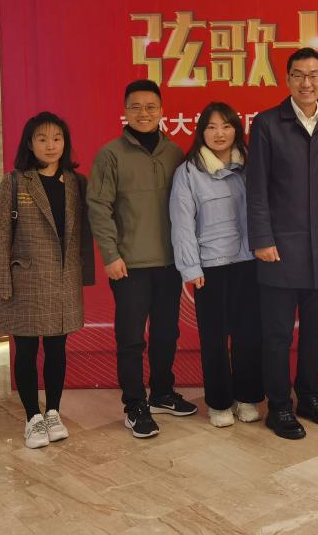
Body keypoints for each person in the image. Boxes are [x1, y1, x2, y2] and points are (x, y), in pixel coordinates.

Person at [248, 47, 318, 440]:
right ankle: (279, 406)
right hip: (277, 249)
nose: (306, 83)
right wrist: (262, 239)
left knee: (315, 332)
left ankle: (308, 397)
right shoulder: (267, 123)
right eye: (298, 75)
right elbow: (256, 188)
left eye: (313, 75)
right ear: (287, 79)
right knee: (277, 334)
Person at [88, 79, 196, 440]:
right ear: (125, 111)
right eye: (136, 106)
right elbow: (98, 208)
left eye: (151, 107)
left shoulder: (175, 153)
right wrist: (110, 255)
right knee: (131, 339)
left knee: (167, 333)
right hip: (129, 265)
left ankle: (162, 392)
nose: (144, 113)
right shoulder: (110, 155)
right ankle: (135, 405)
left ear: (162, 111)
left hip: (169, 263)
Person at [0, 112, 95, 448]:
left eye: (57, 138)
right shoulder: (15, 182)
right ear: (30, 143)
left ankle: (52, 411)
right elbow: (1, 236)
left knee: (56, 348)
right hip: (26, 280)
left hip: (64, 279)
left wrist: (84, 276)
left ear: (65, 143)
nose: (51, 145)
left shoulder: (76, 182)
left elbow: (83, 235)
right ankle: (31, 418)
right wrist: (1, 284)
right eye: (42, 139)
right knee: (25, 349)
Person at [169, 102, 263, 428]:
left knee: (248, 335)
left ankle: (247, 397)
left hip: (249, 262)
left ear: (236, 129)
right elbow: (182, 223)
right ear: (201, 133)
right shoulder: (188, 172)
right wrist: (191, 268)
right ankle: (219, 402)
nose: (219, 133)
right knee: (214, 339)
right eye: (211, 127)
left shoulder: (251, 166)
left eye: (226, 126)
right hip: (210, 267)